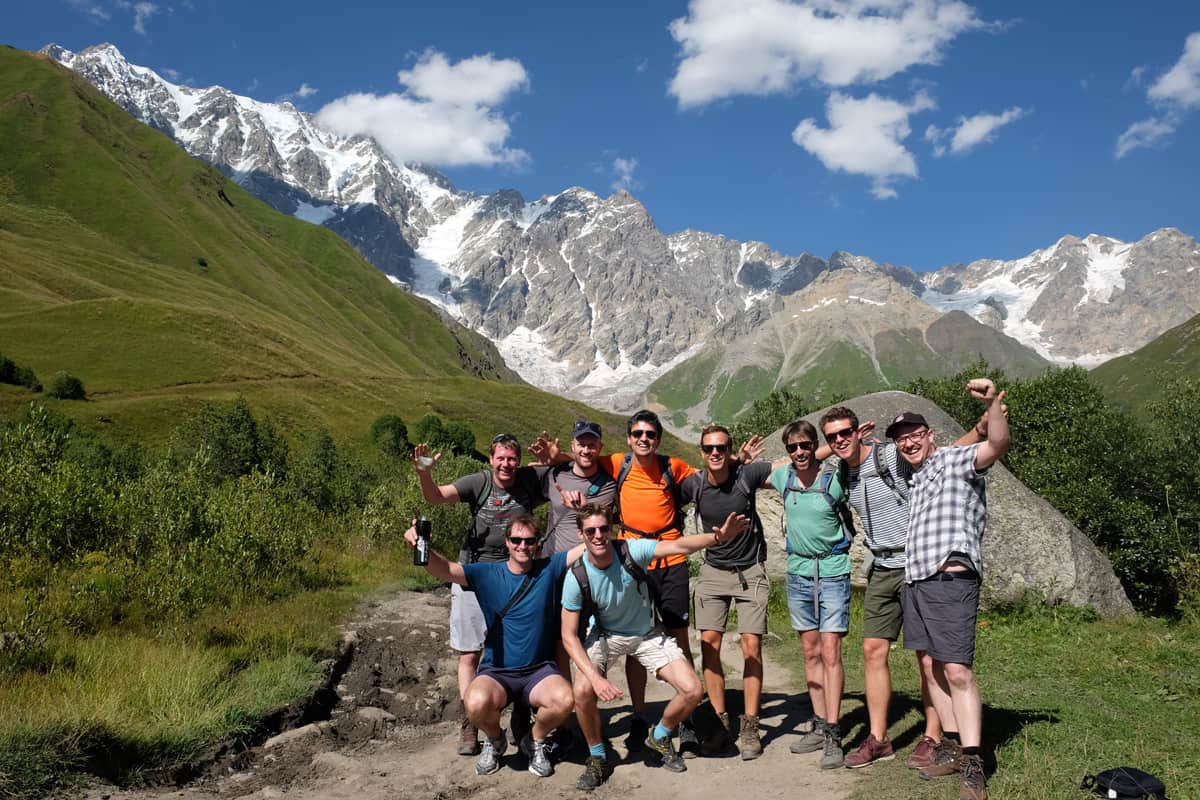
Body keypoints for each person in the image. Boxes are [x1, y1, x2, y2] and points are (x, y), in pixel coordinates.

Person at [820, 405, 995, 770]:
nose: (840, 440)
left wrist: (978, 431)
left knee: (927, 658)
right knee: (872, 650)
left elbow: (937, 459)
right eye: (832, 437)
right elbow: (793, 467)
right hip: (882, 566)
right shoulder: (842, 471)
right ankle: (879, 738)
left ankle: (934, 737)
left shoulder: (888, 456)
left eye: (845, 433)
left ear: (859, 431)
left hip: (916, 562)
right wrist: (824, 449)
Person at [562, 503, 749, 788]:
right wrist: (594, 677)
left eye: (603, 528)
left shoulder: (631, 551)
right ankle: (598, 756)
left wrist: (718, 538)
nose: (598, 535)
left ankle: (660, 735)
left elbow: (677, 547)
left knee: (692, 689)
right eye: (591, 531)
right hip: (605, 635)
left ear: (611, 529)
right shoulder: (576, 576)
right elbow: (569, 636)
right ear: (581, 535)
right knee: (583, 691)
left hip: (648, 634)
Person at [890, 378, 1010, 800]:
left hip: (950, 577)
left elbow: (996, 443)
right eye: (902, 439)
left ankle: (974, 763)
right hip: (918, 580)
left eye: (915, 435)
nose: (908, 444)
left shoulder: (958, 461)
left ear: (930, 435)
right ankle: (954, 749)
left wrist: (992, 404)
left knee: (957, 670)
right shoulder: (916, 476)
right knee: (929, 667)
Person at [404, 514, 584, 778]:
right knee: (474, 703)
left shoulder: (550, 567)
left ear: (538, 544)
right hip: (498, 672)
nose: (523, 546)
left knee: (565, 700)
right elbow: (447, 570)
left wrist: (597, 521)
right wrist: (423, 547)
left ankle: (534, 740)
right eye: (517, 540)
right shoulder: (487, 573)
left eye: (529, 541)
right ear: (507, 543)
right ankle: (495, 739)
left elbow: (590, 544)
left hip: (539, 671)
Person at [412, 434, 549, 755]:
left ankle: (519, 716)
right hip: (473, 575)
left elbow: (567, 471)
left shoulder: (530, 478)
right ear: (491, 459)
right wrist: (423, 472)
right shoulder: (479, 482)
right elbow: (436, 497)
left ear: (519, 460)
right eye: (500, 458)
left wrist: (551, 458)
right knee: (470, 652)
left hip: (515, 579)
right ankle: (470, 721)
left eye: (512, 458)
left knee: (520, 650)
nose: (506, 464)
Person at [678, 424, 773, 759]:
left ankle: (749, 724)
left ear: (730, 450)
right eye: (708, 448)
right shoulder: (694, 484)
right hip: (713, 571)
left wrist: (837, 449)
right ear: (701, 452)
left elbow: (796, 469)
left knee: (751, 645)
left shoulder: (746, 474)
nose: (714, 453)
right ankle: (719, 724)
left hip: (750, 571)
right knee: (709, 644)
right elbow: (658, 499)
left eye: (721, 447)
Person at [768, 419, 853, 769]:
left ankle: (834, 731)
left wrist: (834, 447)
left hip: (832, 571)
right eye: (793, 447)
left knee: (831, 651)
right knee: (809, 651)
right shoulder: (783, 477)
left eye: (806, 446)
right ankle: (818, 723)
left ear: (815, 445)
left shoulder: (833, 480)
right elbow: (747, 470)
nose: (800, 452)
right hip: (799, 572)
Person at [535, 420, 617, 556]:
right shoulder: (554, 474)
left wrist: (584, 510)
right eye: (581, 445)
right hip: (554, 563)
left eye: (591, 445)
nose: (586, 450)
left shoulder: (611, 483)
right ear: (573, 446)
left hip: (592, 565)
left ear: (600, 447)